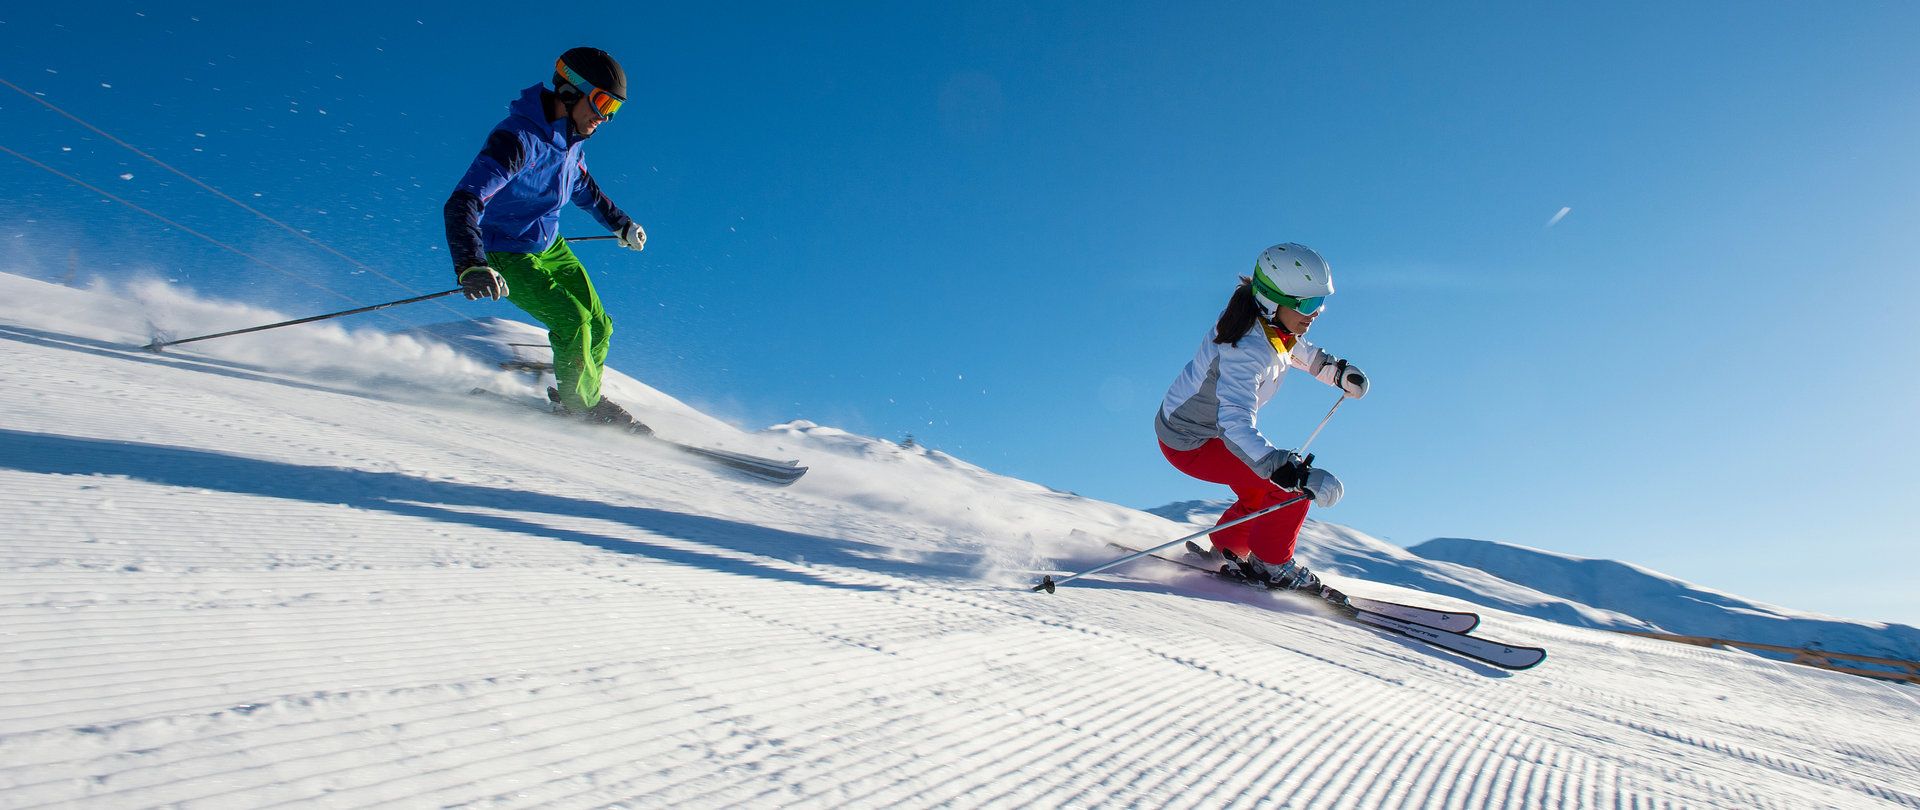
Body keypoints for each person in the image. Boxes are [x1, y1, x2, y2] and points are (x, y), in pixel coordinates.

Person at [443, 46, 650, 431]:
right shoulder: (518, 139)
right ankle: (580, 407)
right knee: (574, 322)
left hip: (550, 246)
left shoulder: (571, 144)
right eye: (603, 102)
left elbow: (584, 188)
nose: (605, 117)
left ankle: (582, 397)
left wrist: (620, 224)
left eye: (615, 109)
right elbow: (462, 202)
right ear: (570, 90)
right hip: (507, 253)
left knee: (600, 325)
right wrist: (471, 264)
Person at [1155, 242, 1370, 599]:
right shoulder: (1244, 350)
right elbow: (1234, 424)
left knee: (1261, 486)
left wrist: (1336, 372)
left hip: (1197, 431)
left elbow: (1298, 349)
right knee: (1287, 486)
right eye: (1307, 304)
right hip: (1189, 440)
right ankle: (1272, 564)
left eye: (1320, 303)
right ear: (1272, 300)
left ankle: (1228, 548)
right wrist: (1287, 470)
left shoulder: (1270, 325)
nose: (1315, 313)